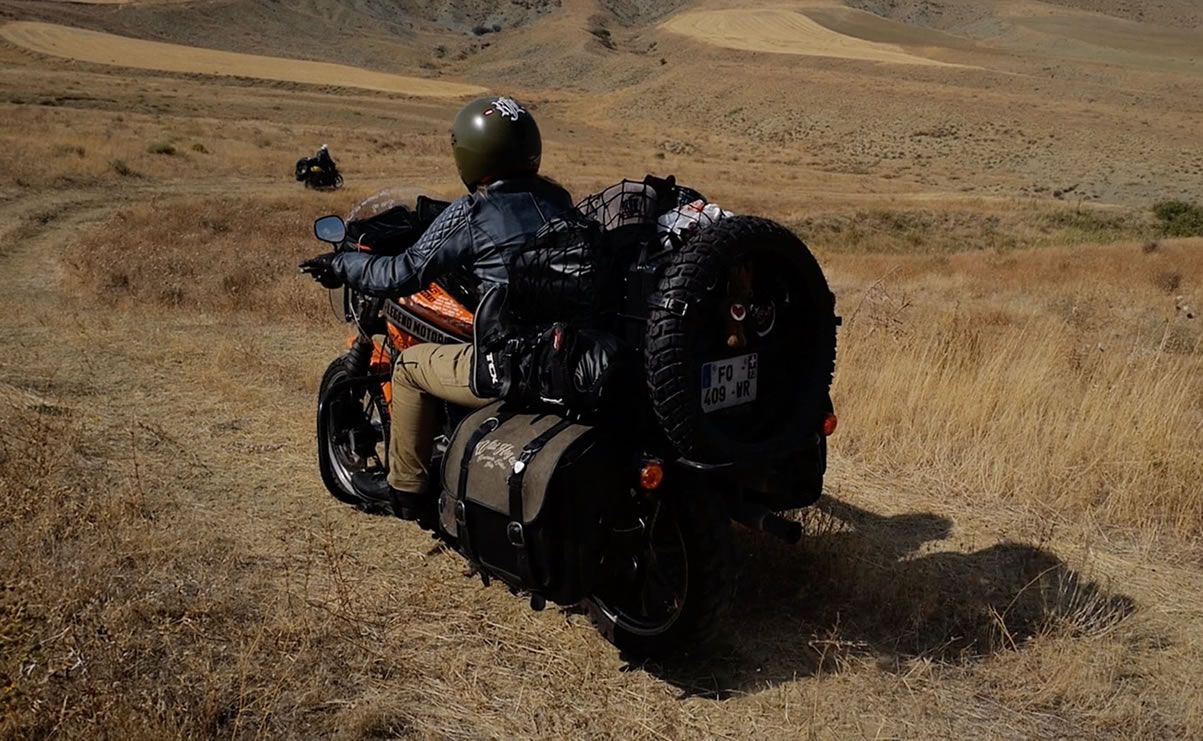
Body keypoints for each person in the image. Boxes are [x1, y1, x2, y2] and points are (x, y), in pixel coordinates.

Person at [300, 96, 573, 519]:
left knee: (409, 367)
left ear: (470, 153)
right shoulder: (558, 200)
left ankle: (405, 490)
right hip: (557, 353)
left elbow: (402, 273)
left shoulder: (474, 212)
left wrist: (342, 263)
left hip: (506, 363)